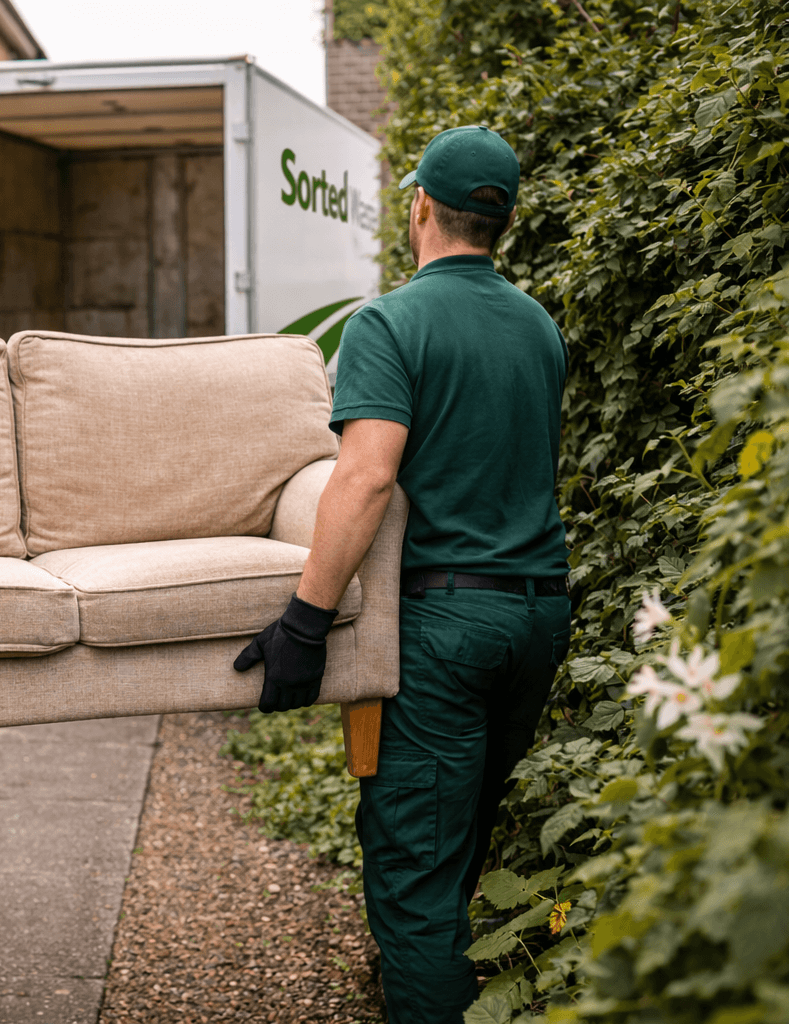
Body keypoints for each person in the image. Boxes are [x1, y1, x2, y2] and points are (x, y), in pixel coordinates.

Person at [234, 125, 571, 1023]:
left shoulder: (393, 321)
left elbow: (367, 474)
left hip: (441, 630)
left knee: (415, 871)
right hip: (537, 621)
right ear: (501, 220)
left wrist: (304, 621)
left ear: (420, 204)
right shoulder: (540, 326)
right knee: (456, 848)